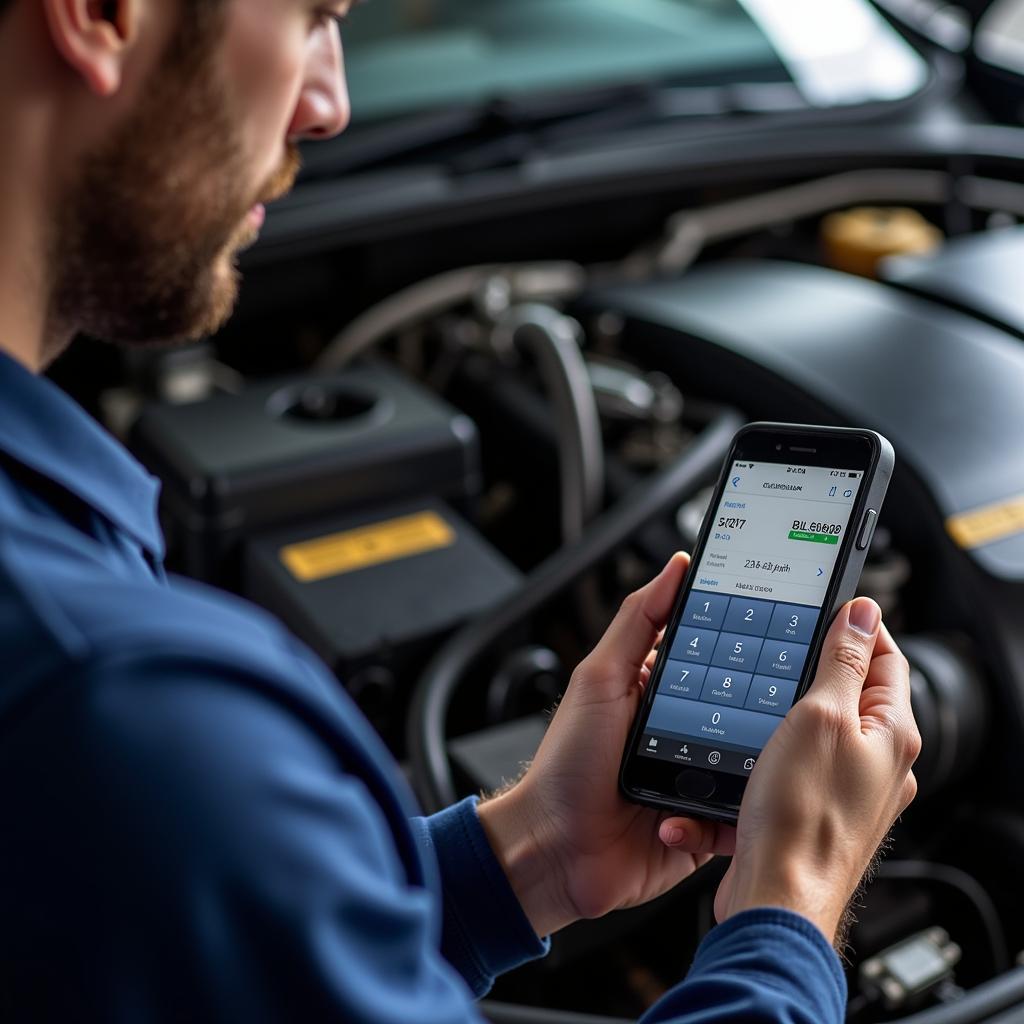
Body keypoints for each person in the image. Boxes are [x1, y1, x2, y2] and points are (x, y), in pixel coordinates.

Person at [0, 1, 921, 1021]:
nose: (328, 102)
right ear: (101, 15)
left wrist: (532, 852)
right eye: (313, 16)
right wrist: (790, 908)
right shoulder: (124, 708)